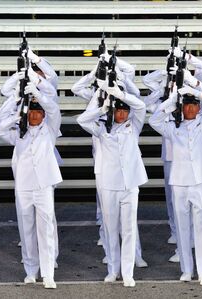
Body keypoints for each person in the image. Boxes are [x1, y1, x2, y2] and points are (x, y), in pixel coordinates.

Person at [149, 69, 202, 286]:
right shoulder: (172, 128)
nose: (190, 108)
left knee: (201, 226)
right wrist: (172, 100)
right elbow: (154, 120)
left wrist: (195, 85)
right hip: (180, 180)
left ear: (198, 107)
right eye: (186, 105)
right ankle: (186, 270)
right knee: (182, 227)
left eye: (194, 105)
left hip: (199, 179)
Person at [77, 79, 147, 287]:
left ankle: (127, 273)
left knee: (128, 230)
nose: (122, 114)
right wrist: (102, 108)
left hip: (130, 185)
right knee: (110, 229)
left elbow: (141, 106)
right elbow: (82, 120)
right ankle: (112, 270)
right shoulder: (101, 129)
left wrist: (121, 94)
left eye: (125, 111)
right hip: (109, 185)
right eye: (118, 111)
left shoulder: (133, 126)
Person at [0, 80, 61, 289]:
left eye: (38, 112)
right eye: (31, 112)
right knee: (27, 229)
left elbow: (54, 108)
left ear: (43, 115)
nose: (34, 115)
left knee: (46, 230)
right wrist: (17, 115)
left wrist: (37, 95)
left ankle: (48, 274)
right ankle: (31, 270)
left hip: (43, 186)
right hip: (23, 186)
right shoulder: (18, 132)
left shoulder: (50, 129)